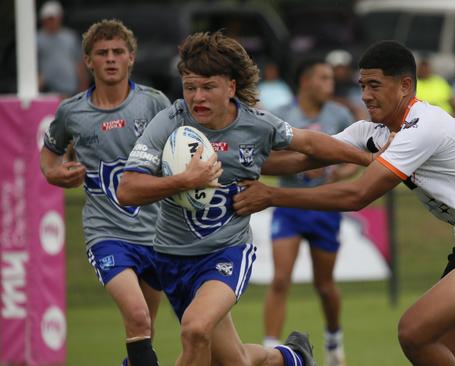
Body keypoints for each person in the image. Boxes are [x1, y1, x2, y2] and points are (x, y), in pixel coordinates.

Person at [234, 40, 455, 366]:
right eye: (362, 85)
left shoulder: (424, 125)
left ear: (405, 85)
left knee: (413, 331)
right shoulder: (374, 131)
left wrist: (272, 196)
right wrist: (232, 158)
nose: (365, 94)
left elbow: (357, 195)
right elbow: (300, 157)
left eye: (375, 85)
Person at [116, 32, 377, 366]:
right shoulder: (170, 121)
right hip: (172, 257)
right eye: (189, 86)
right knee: (231, 360)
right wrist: (185, 180)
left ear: (231, 87)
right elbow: (127, 190)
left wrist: (370, 159)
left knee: (195, 331)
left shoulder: (256, 125)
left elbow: (309, 144)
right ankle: (291, 358)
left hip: (226, 253)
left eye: (208, 87)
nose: (197, 97)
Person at [39, 19, 171, 366]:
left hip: (155, 235)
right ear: (87, 61)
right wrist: (55, 174)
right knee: (138, 317)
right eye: (102, 53)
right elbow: (49, 155)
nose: (110, 59)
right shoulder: (73, 112)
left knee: (144, 330)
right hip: (107, 234)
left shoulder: (154, 103)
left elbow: (183, 149)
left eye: (118, 52)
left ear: (131, 57)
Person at [262, 58, 356, 366]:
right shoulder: (283, 115)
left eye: (331, 78)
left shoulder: (339, 115)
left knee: (325, 286)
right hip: (289, 206)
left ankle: (334, 340)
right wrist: (300, 160)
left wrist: (337, 173)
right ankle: (270, 348)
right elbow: (265, 158)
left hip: (324, 207)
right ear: (305, 81)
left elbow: (354, 156)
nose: (330, 84)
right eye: (324, 78)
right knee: (280, 279)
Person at [36, 0, 88, 96]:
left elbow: (79, 63)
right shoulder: (37, 39)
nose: (51, 21)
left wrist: (83, 88)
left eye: (53, 18)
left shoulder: (70, 37)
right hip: (47, 91)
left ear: (60, 18)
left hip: (70, 90)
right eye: (48, 18)